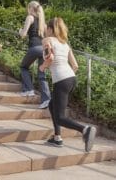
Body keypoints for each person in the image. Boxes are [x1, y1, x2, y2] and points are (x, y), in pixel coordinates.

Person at [39, 17, 96, 152]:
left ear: (50, 29)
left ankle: (85, 130)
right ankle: (57, 138)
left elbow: (50, 58)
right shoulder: (65, 44)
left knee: (60, 117)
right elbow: (75, 65)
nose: (46, 31)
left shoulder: (47, 40)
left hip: (61, 80)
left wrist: (42, 68)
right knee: (53, 105)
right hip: (71, 78)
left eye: (47, 28)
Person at [19, 1, 51, 109]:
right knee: (41, 75)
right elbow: (47, 39)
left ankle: (29, 89)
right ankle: (46, 100)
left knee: (23, 67)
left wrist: (20, 31)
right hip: (43, 49)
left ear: (31, 8)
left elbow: (23, 34)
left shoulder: (30, 17)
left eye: (28, 8)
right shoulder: (43, 23)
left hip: (34, 48)